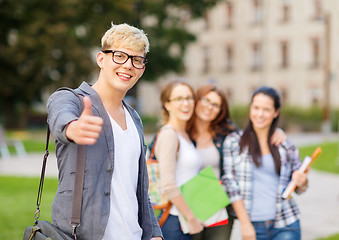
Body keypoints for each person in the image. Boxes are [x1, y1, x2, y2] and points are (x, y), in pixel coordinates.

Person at [47, 23, 163, 240]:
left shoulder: (135, 119)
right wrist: (72, 127)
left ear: (142, 68)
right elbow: (59, 114)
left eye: (136, 60)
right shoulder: (72, 100)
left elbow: (138, 188)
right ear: (101, 59)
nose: (128, 65)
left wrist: (154, 233)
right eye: (119, 56)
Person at [187, 84, 286, 240]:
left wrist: (277, 132)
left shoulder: (226, 133)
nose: (209, 107)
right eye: (206, 100)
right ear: (197, 100)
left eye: (216, 105)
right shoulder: (181, 132)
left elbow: (251, 133)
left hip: (217, 206)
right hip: (185, 206)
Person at [222, 86, 308, 240]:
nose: (260, 114)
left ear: (275, 113)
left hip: (286, 223)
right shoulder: (234, 142)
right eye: (256, 108)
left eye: (266, 109)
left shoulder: (285, 145)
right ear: (250, 109)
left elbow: (299, 188)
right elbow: (230, 186)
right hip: (253, 225)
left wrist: (302, 182)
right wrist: (245, 223)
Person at [154, 80, 204, 240]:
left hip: (184, 219)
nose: (186, 104)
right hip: (174, 220)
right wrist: (191, 217)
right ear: (167, 104)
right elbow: (168, 185)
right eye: (179, 99)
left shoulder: (185, 134)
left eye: (189, 98)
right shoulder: (169, 134)